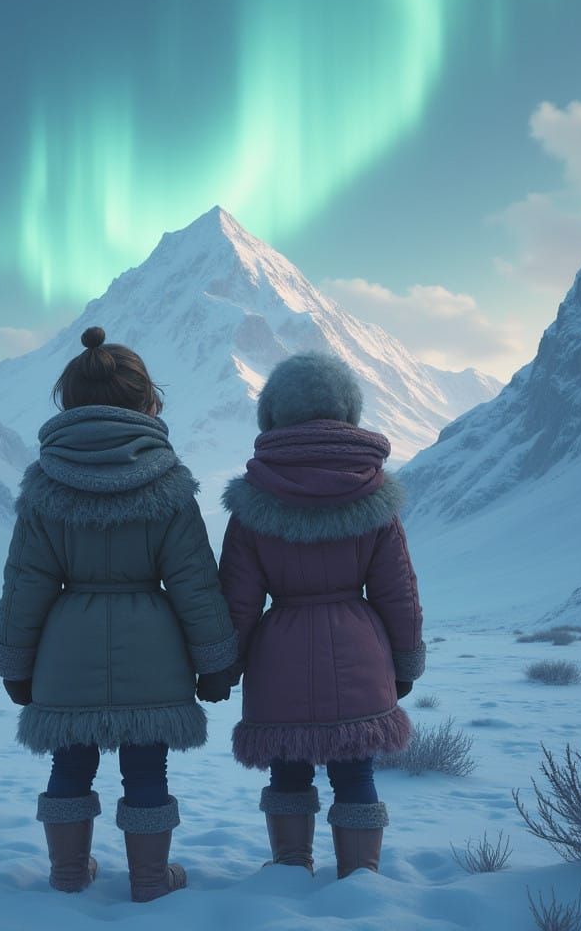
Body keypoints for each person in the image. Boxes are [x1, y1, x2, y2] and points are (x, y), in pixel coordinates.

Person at [0, 326, 237, 902]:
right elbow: (195, 584)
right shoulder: (170, 482)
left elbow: (26, 583)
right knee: (147, 772)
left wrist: (15, 664)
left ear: (68, 400)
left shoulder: (45, 482)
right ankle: (151, 879)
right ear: (148, 400)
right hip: (154, 650)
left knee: (69, 766)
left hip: (64, 650)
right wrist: (216, 661)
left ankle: (68, 872)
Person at [218, 351, 425, 878]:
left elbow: (238, 601)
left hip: (278, 657)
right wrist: (404, 663)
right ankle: (361, 882)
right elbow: (397, 591)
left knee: (288, 771)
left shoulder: (252, 499)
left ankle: (289, 871)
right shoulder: (374, 492)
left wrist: (224, 665)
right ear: (348, 412)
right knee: (355, 773)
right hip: (360, 651)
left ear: (272, 416)